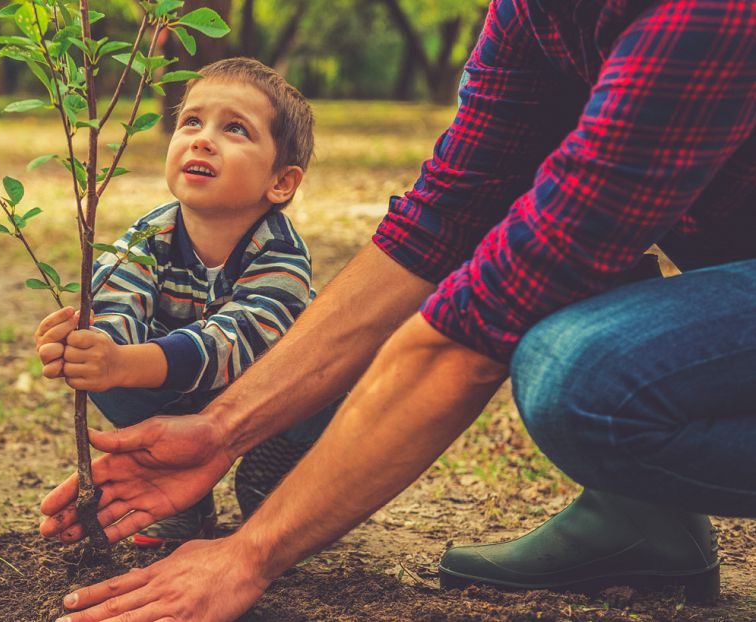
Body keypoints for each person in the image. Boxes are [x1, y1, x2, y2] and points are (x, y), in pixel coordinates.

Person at [37, 0, 756, 620]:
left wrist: (249, 554)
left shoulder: (704, 15)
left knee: (582, 375)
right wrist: (219, 431)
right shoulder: (532, 17)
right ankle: (642, 519)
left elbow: (484, 319)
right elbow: (442, 221)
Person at [34, 57, 337, 548]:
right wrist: (90, 347)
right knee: (110, 376)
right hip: (181, 390)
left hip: (269, 396)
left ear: (280, 181)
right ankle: (185, 496)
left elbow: (238, 342)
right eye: (191, 122)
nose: (202, 138)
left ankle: (280, 472)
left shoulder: (281, 253)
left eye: (235, 129)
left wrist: (131, 361)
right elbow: (117, 301)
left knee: (330, 381)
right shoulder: (151, 234)